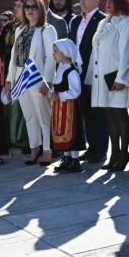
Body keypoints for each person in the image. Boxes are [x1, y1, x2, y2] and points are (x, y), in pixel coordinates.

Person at [5, 0, 58, 166]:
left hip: (36, 76)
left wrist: (48, 80)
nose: (29, 10)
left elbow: (52, 57)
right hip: (20, 76)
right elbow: (13, 57)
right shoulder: (20, 29)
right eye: (27, 7)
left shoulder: (46, 29)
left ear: (41, 10)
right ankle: (34, 148)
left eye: (34, 7)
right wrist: (9, 79)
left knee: (43, 115)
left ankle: (47, 150)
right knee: (29, 115)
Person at [91, 0, 129, 171]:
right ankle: (114, 153)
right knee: (109, 116)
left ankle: (124, 153)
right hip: (101, 76)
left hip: (117, 77)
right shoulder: (104, 22)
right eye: (108, 0)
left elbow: (127, 53)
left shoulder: (127, 24)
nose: (108, 3)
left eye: (113, 0)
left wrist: (121, 78)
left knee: (120, 115)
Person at [70, 0, 109, 165]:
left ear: (96, 1)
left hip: (95, 74)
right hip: (77, 73)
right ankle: (91, 147)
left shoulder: (103, 20)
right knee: (85, 112)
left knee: (98, 113)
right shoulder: (75, 21)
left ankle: (100, 150)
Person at [50, 39, 84, 173]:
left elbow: (75, 92)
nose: (54, 54)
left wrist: (60, 95)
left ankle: (75, 160)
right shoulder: (61, 68)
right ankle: (67, 158)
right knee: (61, 131)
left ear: (65, 53)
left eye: (56, 51)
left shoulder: (71, 71)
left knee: (71, 132)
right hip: (60, 109)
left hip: (70, 109)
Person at [2, 0, 29, 153]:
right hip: (11, 67)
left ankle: (23, 138)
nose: (16, 9)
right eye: (15, 6)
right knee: (14, 103)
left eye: (19, 6)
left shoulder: (31, 28)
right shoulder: (13, 27)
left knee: (24, 106)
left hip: (25, 70)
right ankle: (13, 137)